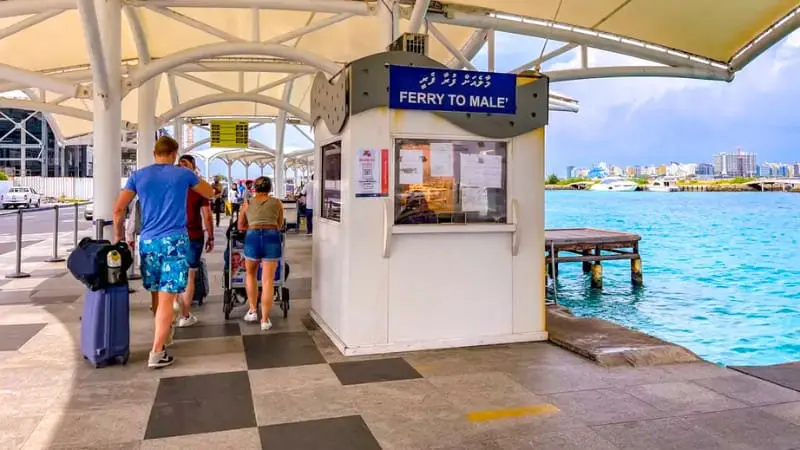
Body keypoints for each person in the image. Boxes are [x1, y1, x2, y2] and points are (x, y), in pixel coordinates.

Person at [112, 135, 214, 369]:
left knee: (157, 295)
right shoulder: (183, 174)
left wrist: (119, 235)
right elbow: (210, 192)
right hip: (174, 242)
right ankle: (157, 352)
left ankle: (163, 337)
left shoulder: (138, 176)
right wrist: (191, 173)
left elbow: (119, 209)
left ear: (155, 153)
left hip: (147, 242)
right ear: (173, 154)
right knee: (168, 298)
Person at [238, 176, 283, 331]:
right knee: (268, 280)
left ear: (254, 188)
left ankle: (252, 310)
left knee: (250, 274)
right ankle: (265, 320)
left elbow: (240, 225)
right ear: (270, 188)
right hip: (272, 237)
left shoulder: (248, 202)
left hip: (252, 237)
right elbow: (280, 223)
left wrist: (251, 227)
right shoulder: (277, 202)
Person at [176, 155, 214, 327]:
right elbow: (207, 215)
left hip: (171, 235)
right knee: (190, 275)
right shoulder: (197, 187)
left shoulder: (170, 185)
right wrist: (211, 235)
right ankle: (185, 316)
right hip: (193, 235)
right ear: (194, 168)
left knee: (173, 273)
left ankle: (172, 306)